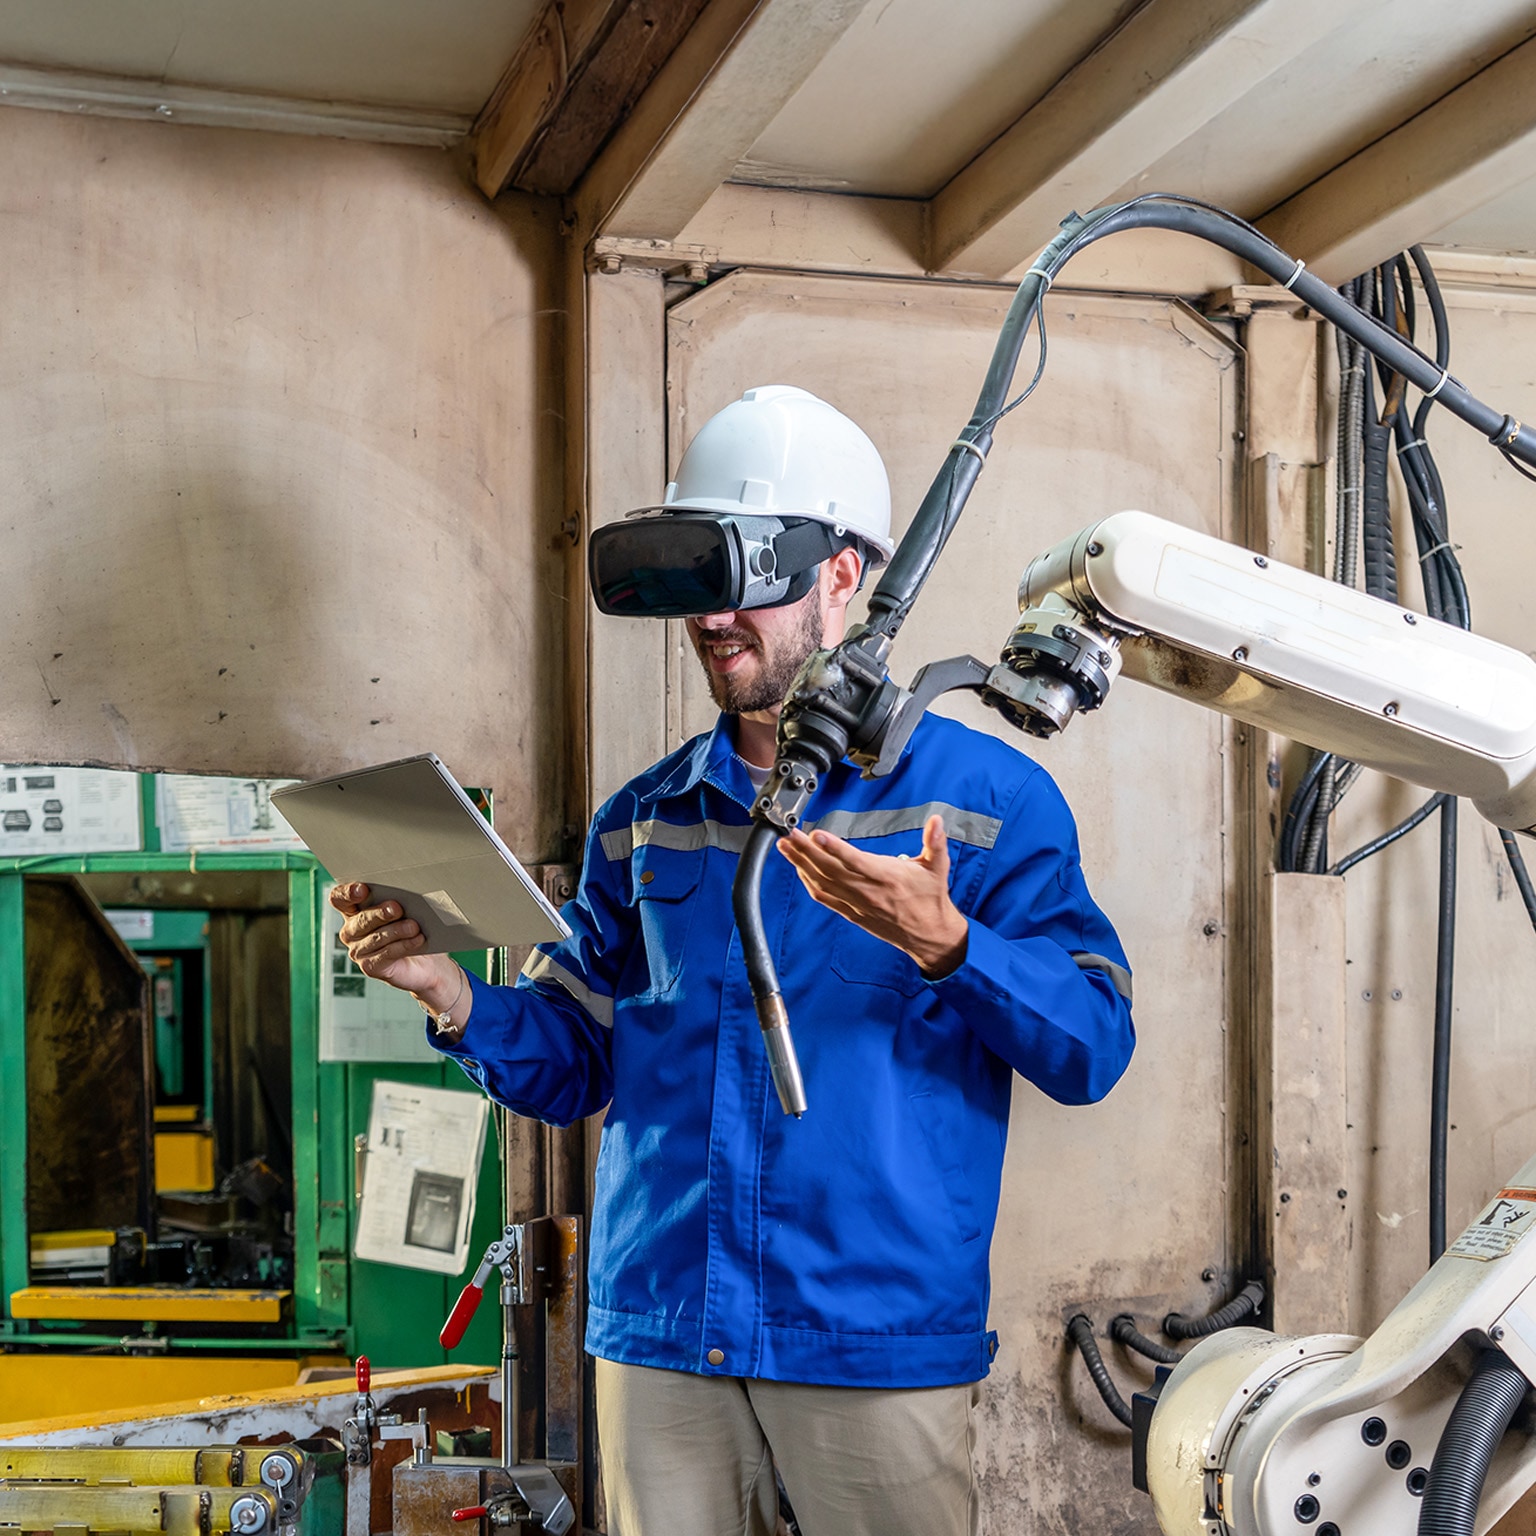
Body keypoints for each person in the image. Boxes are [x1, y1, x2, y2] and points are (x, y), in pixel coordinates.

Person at [334, 385, 1135, 1536]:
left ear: (847, 576)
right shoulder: (646, 819)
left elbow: (1093, 1045)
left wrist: (952, 946)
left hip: (868, 1345)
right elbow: (580, 1059)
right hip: (664, 1333)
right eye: (698, 584)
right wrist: (454, 996)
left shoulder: (990, 806)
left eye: (749, 577)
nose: (714, 619)